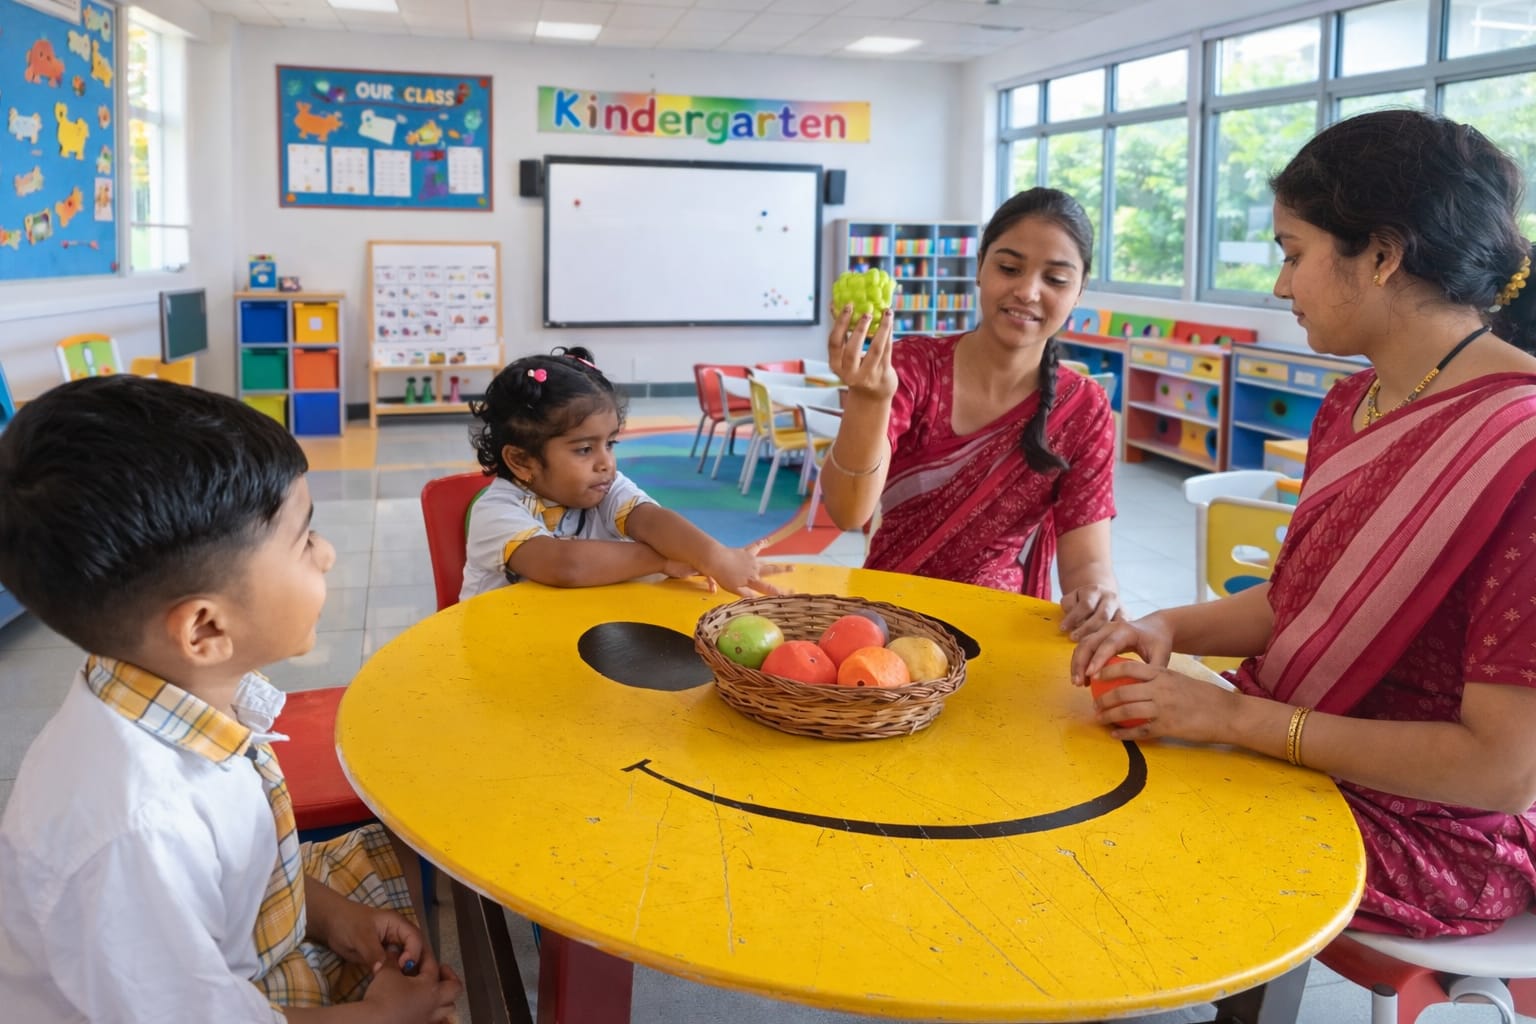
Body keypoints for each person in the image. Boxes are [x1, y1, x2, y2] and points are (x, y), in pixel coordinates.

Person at [1072, 109, 1536, 939]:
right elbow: (1296, 603)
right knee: (1071, 763)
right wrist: (1164, 624)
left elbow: (1503, 771)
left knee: (1104, 835)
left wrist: (1232, 720)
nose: (1280, 287)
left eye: (1293, 254)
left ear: (1384, 256)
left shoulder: (1521, 451)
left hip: (1430, 826)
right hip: (1289, 744)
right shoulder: (1352, 404)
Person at [0, 375, 461, 1022]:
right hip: (218, 1001)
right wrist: (379, 1017)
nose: (326, 555)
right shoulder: (135, 832)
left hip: (243, 948)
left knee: (435, 842)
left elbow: (246, 867)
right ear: (206, 629)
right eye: (304, 541)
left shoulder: (172, 697)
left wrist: (336, 918)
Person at [821, 187, 1121, 637]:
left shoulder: (1084, 409)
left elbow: (1089, 561)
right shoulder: (914, 367)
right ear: (980, 267)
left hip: (996, 628)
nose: (1027, 291)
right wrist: (869, 398)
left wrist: (1097, 596)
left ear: (1079, 291)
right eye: (1008, 267)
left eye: (1055, 279)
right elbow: (848, 512)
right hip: (887, 622)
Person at [461, 346, 781, 600]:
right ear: (522, 461)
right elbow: (564, 565)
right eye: (584, 449)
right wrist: (660, 560)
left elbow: (651, 520)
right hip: (495, 644)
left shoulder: (601, 486)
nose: (606, 463)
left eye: (610, 443)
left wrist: (714, 557)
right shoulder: (496, 512)